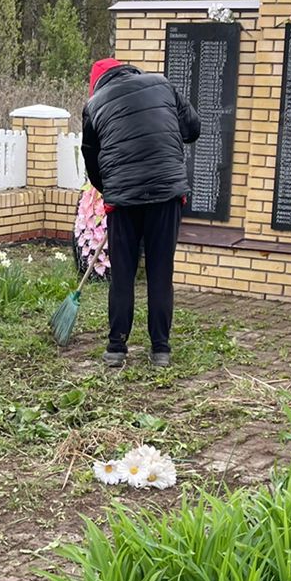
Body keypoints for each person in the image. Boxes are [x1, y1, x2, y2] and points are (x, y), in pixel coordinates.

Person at [81, 57, 200, 368]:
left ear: (98, 83)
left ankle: (116, 348)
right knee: (161, 272)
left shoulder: (94, 106)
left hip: (123, 202)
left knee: (123, 275)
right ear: (128, 70)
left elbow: (91, 162)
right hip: (166, 196)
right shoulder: (163, 84)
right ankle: (161, 349)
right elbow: (192, 129)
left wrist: (111, 194)